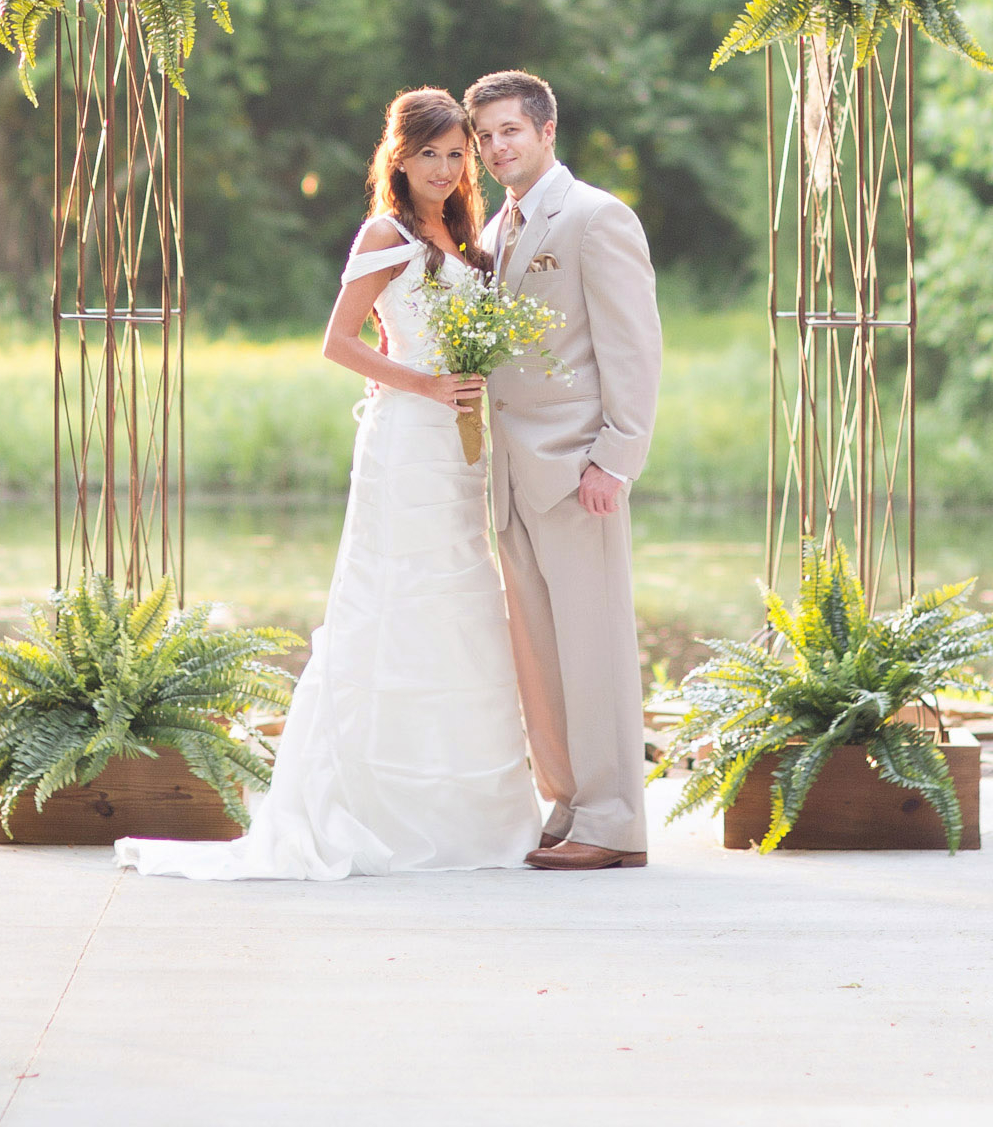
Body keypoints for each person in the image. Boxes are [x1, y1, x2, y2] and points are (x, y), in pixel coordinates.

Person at [116, 88, 541, 880]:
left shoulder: (470, 238)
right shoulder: (387, 233)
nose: (445, 168)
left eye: (457, 154)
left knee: (460, 603)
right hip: (407, 440)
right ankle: (369, 802)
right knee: (397, 599)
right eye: (429, 154)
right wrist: (423, 383)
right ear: (399, 159)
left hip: (460, 448)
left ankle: (466, 816)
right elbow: (337, 342)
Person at [467, 68, 664, 871]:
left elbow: (634, 347)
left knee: (595, 650)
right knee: (539, 655)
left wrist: (615, 458)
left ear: (547, 131)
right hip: (510, 474)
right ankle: (570, 804)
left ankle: (614, 821)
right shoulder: (495, 228)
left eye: (509, 130)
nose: (495, 147)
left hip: (578, 470)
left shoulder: (595, 217)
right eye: (484, 136)